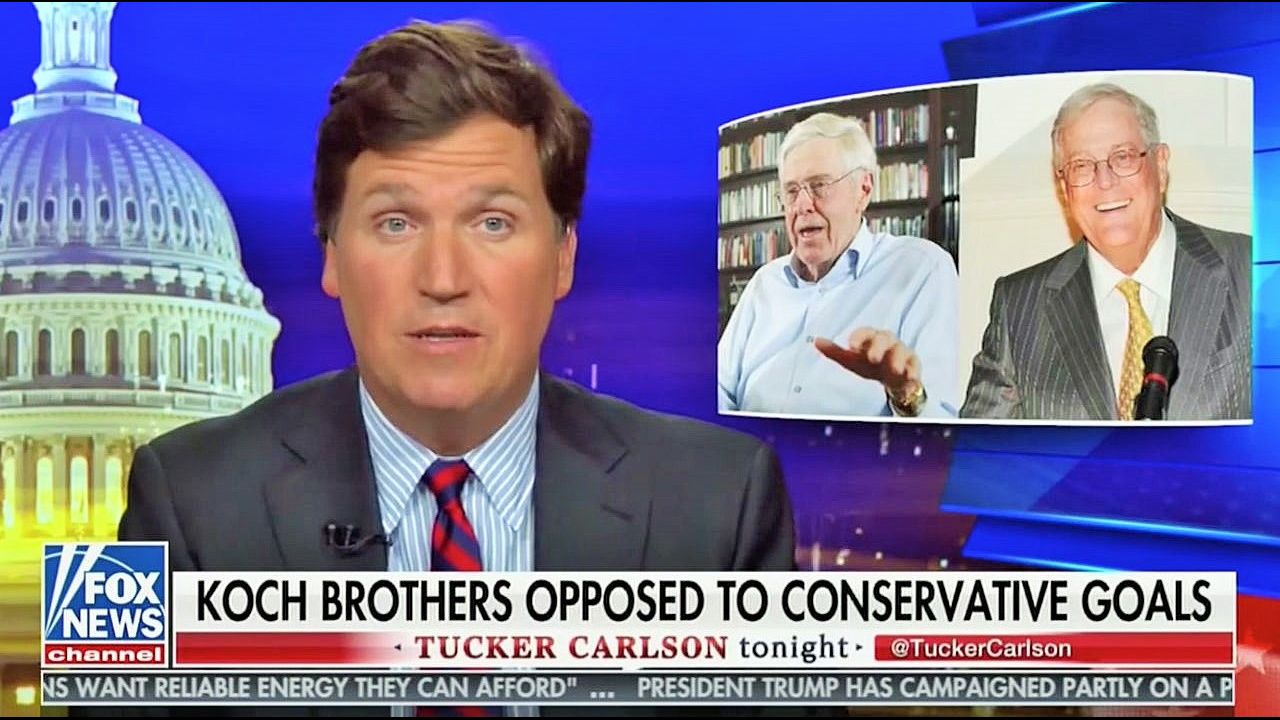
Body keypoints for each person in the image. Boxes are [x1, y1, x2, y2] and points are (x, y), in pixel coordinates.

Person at [107, 18, 797, 718]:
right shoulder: (180, 501)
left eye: (493, 222)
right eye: (396, 223)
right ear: (332, 256)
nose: (443, 278)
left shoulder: (723, 507)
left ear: (563, 257)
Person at [960, 82, 1252, 421]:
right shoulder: (1018, 307)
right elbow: (981, 447)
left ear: (1160, 165)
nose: (1104, 181)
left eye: (1123, 157)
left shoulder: (1250, 268)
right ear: (1064, 188)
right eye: (1082, 165)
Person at [717, 112, 960, 420]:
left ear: (863, 190)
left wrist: (905, 393)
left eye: (819, 185)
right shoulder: (764, 283)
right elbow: (719, 388)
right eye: (791, 191)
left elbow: (939, 420)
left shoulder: (921, 268)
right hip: (745, 447)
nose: (802, 206)